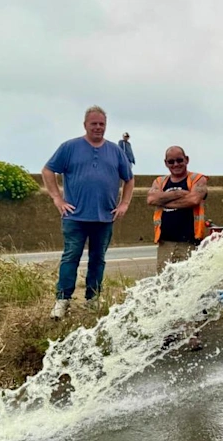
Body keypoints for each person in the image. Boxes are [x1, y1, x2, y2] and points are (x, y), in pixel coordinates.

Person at [42, 105, 135, 319]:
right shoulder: (69, 147)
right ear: (85, 125)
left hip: (104, 217)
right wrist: (57, 198)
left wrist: (124, 203)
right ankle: (62, 300)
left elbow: (129, 179)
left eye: (101, 124)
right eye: (94, 124)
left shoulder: (115, 150)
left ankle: (92, 299)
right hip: (75, 217)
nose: (98, 128)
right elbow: (48, 170)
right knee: (70, 257)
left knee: (97, 259)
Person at [146, 146, 208, 273]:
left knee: (187, 282)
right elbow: (151, 200)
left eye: (179, 160)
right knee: (165, 284)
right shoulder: (160, 181)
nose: (176, 164)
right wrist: (177, 194)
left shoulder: (197, 179)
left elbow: (193, 200)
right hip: (165, 243)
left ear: (186, 160)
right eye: (171, 161)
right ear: (166, 163)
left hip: (190, 243)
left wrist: (164, 201)